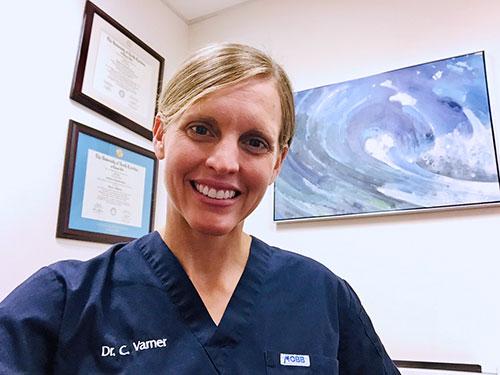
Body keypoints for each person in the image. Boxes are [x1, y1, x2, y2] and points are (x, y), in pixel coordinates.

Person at [0, 43, 400, 374]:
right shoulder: (61, 300)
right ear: (160, 136)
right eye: (202, 129)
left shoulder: (323, 296)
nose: (225, 162)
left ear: (277, 162)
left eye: (255, 142)